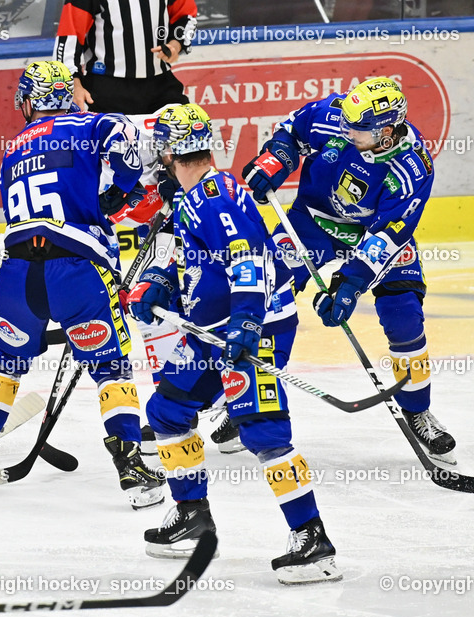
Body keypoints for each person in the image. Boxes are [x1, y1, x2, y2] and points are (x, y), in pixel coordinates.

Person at [125, 103, 341, 584]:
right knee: (167, 412)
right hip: (211, 332)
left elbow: (246, 261)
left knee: (262, 429)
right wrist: (160, 282)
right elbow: (196, 261)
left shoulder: (215, 195)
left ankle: (312, 539)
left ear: (170, 150)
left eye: (159, 145)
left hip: (254, 327)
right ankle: (192, 516)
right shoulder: (191, 198)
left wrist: (246, 324)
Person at [0, 60, 163, 509]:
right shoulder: (95, 123)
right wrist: (124, 189)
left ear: (32, 99)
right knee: (111, 368)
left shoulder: (12, 148)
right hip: (76, 271)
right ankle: (129, 462)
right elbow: (128, 146)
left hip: (17, 276)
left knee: (5, 362)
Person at [242, 76, 456, 460]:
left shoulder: (413, 166)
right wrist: (274, 160)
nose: (344, 131)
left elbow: (389, 234)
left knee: (404, 312)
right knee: (262, 297)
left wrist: (350, 283)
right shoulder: (336, 114)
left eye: (357, 130)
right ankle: (242, 398)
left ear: (387, 131)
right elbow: (292, 132)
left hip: (373, 234)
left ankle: (418, 408)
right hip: (312, 222)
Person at [54, 0, 197, 114]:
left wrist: (176, 44)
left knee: (186, 136)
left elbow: (186, 16)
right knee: (114, 147)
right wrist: (74, 84)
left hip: (161, 85)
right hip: (107, 90)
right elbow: (68, 37)